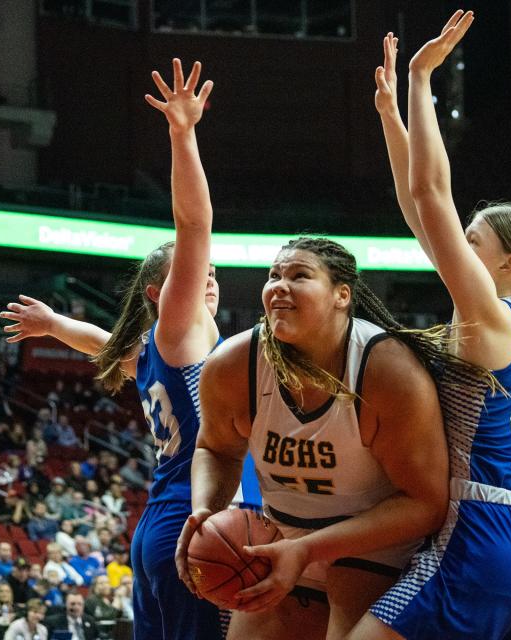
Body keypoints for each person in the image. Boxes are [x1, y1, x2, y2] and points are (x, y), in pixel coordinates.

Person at [1, 58, 257, 640]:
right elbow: (194, 225)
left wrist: (53, 322)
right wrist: (182, 134)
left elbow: (101, 344)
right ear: (158, 292)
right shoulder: (179, 325)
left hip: (158, 525)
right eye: (196, 273)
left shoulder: (149, 349)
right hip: (194, 522)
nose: (207, 277)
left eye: (212, 272)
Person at [347, 12, 511, 639]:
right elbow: (420, 209)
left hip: (481, 534)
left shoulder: (489, 316)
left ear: (509, 263)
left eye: (475, 241)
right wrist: (391, 120)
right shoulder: (507, 320)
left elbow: (434, 195)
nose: (458, 247)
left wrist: (421, 78)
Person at [176, 234, 474, 639]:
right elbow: (216, 448)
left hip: (372, 541)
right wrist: (205, 513)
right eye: (274, 275)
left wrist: (309, 550)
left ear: (342, 295)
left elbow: (425, 504)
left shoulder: (386, 371)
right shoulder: (234, 363)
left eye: (299, 275)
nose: (279, 285)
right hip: (280, 534)